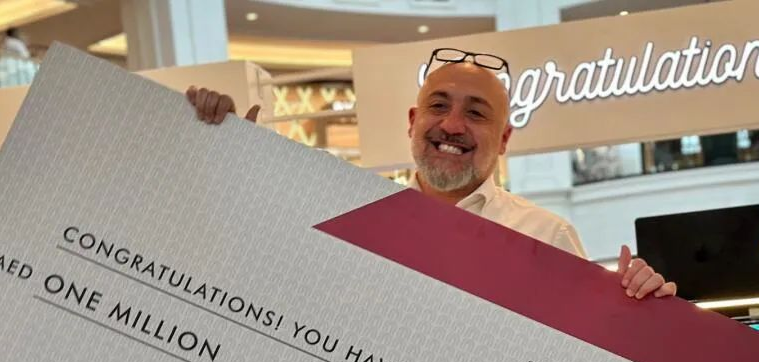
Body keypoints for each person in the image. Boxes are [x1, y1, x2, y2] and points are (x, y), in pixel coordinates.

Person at [186, 49, 676, 299]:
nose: (453, 125)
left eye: (476, 113)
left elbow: (584, 359)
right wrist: (227, 154)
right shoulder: (358, 219)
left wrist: (637, 305)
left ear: (504, 139)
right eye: (438, 106)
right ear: (412, 122)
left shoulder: (547, 236)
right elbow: (265, 273)